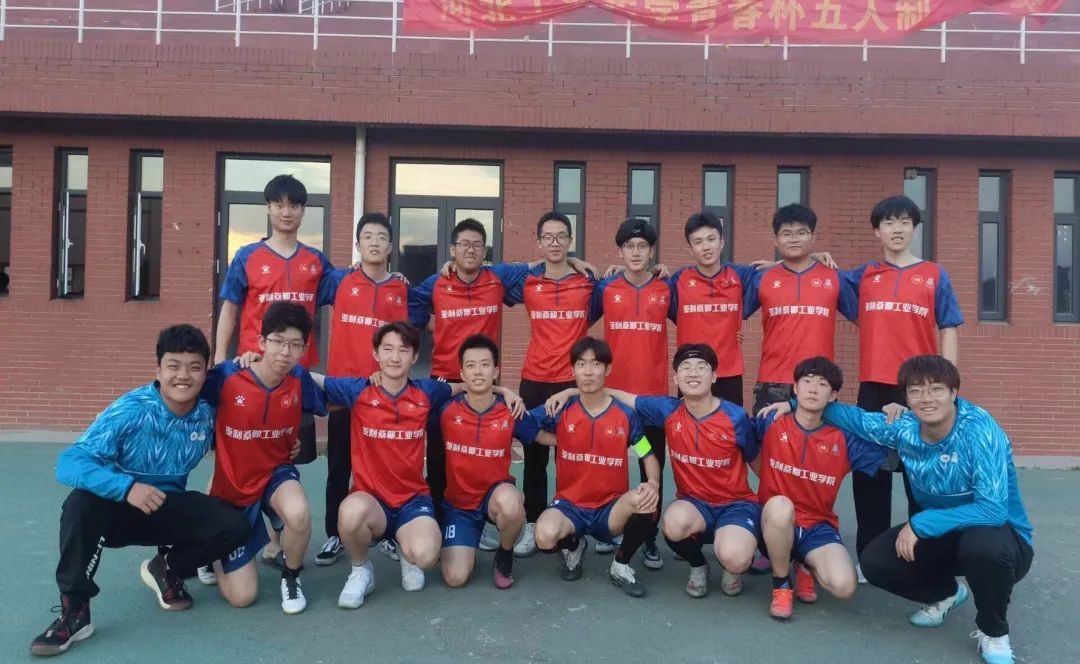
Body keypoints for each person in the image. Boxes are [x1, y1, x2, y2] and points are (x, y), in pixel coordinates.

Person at [763, 355, 1033, 664]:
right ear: (905, 397)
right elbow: (850, 417)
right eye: (916, 391)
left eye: (936, 389)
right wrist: (794, 404)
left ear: (954, 392)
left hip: (1002, 539)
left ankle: (994, 632)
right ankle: (945, 593)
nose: (926, 399)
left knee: (983, 545)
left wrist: (921, 524)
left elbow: (993, 511)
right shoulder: (904, 428)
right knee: (875, 562)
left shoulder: (980, 431)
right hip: (945, 535)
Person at [30, 325, 248, 657]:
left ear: (206, 373)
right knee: (80, 504)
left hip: (166, 508)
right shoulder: (132, 409)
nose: (183, 376)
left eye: (194, 367)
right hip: (115, 510)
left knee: (233, 525)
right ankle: (75, 611)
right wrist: (127, 487)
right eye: (173, 366)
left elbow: (248, 423)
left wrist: (286, 447)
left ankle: (168, 567)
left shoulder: (208, 413)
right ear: (158, 370)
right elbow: (69, 462)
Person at [310, 322, 523, 608]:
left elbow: (467, 385)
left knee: (427, 555)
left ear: (415, 356)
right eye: (387, 349)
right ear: (375, 354)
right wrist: (260, 362)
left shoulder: (426, 392)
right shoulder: (359, 390)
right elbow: (315, 379)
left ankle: (407, 552)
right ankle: (361, 570)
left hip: (412, 501)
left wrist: (504, 391)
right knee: (349, 513)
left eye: (403, 350)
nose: (395, 357)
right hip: (371, 500)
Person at [568, 343, 760, 600]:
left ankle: (732, 569)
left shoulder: (735, 417)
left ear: (714, 376)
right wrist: (573, 391)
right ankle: (698, 565)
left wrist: (771, 502)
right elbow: (625, 397)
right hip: (694, 504)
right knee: (672, 523)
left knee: (735, 558)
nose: (693, 373)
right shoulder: (669, 410)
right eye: (686, 368)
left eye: (701, 367)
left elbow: (756, 460)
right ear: (676, 378)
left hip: (735, 504)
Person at [841, 195, 964, 578]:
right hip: (873, 388)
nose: (897, 229)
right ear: (877, 231)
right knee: (870, 477)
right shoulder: (863, 276)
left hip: (919, 390)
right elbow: (814, 278)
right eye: (889, 222)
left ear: (914, 228)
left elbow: (949, 326)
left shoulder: (934, 274)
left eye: (904, 222)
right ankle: (870, 558)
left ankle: (923, 554)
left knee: (920, 478)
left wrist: (947, 383)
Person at [216, 174, 332, 562]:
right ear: (268, 208)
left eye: (294, 205)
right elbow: (230, 307)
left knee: (285, 454)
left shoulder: (315, 261)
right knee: (239, 455)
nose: (286, 212)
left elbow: (352, 288)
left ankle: (277, 536)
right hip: (250, 374)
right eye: (279, 204)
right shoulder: (247, 256)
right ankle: (222, 533)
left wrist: (389, 275)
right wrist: (220, 358)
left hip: (294, 380)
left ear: (303, 211)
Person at [198, 303, 327, 614]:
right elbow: (189, 394)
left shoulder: (299, 379)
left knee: (298, 513)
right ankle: (212, 551)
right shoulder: (228, 375)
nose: (285, 352)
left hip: (275, 474)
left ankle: (291, 576)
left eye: (294, 345)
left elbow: (333, 398)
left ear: (304, 349)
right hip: (233, 486)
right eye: (278, 341)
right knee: (242, 597)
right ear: (261, 342)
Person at [408, 218, 531, 527]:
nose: (471, 250)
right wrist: (429, 321)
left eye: (477, 245)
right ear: (452, 250)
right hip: (444, 382)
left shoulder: (497, 277)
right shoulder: (436, 283)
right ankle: (436, 519)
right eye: (464, 244)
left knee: (481, 455)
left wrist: (573, 260)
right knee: (440, 456)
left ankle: (483, 517)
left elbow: (539, 267)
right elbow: (407, 302)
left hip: (483, 381)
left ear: (484, 250)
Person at [748, 356, 885, 621]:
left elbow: (887, 449)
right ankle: (781, 584)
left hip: (817, 526)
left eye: (822, 384)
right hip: (773, 521)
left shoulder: (844, 438)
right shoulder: (771, 421)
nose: (813, 389)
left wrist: (897, 414)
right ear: (795, 388)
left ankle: (804, 563)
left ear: (833, 396)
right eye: (807, 381)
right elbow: (740, 441)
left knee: (844, 586)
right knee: (780, 506)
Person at [532, 337, 661, 597]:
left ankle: (620, 565)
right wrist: (555, 439)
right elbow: (523, 424)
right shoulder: (560, 408)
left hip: (609, 508)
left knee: (646, 501)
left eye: (595, 364)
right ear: (573, 370)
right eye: (581, 364)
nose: (588, 371)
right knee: (544, 537)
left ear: (607, 369)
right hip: (570, 506)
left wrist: (653, 483)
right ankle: (575, 546)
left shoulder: (626, 415)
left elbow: (647, 454)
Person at [316, 212, 409, 566]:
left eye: (381, 237)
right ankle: (334, 534)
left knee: (382, 468)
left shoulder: (401, 288)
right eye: (367, 236)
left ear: (390, 246)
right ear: (357, 244)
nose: (374, 242)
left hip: (383, 395)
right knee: (338, 466)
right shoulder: (339, 280)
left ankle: (385, 532)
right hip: (343, 392)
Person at [510, 211, 600, 557]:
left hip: (571, 382)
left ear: (570, 240)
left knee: (571, 458)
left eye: (561, 236)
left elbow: (622, 280)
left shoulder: (588, 282)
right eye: (548, 237)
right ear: (538, 242)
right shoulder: (526, 282)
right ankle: (533, 522)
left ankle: (570, 526)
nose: (555, 242)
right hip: (535, 379)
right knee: (534, 457)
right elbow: (488, 273)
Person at [438, 334, 550, 589]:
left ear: (496, 371)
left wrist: (587, 439)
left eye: (485, 365)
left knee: (511, 504)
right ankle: (470, 537)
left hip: (494, 496)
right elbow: (413, 393)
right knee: (455, 578)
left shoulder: (511, 411)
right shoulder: (446, 409)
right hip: (459, 505)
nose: (478, 371)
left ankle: (504, 554)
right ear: (462, 373)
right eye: (471, 365)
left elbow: (542, 436)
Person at [591, 217, 670, 567]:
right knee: (608, 464)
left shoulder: (667, 288)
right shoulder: (606, 288)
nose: (636, 252)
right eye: (629, 246)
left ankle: (648, 535)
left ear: (651, 251)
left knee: (650, 465)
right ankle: (608, 528)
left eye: (642, 246)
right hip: (612, 397)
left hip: (651, 400)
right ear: (620, 252)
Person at [744, 204, 859, 415]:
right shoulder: (762, 278)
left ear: (813, 237)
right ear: (775, 240)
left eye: (801, 233)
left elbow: (865, 320)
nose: (794, 239)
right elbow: (732, 314)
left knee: (819, 437)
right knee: (769, 437)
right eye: (786, 234)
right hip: (773, 380)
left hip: (819, 382)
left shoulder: (834, 278)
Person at [668, 212, 758, 406]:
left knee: (730, 424)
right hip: (691, 373)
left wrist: (809, 257)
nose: (706, 247)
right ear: (690, 249)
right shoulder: (678, 280)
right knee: (690, 424)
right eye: (698, 242)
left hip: (729, 372)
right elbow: (649, 289)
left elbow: (782, 273)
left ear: (722, 242)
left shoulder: (740, 275)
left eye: (711, 239)